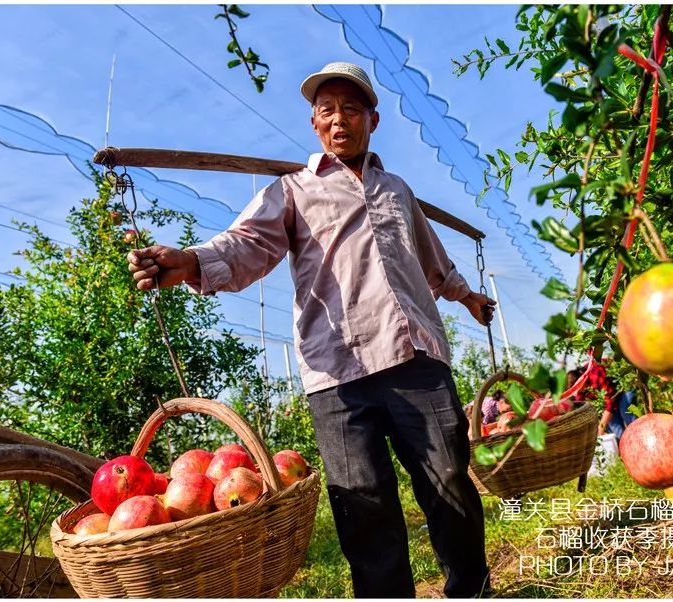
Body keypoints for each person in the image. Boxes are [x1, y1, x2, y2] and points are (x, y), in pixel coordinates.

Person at [126, 62, 494, 598]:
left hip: (415, 355)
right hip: (338, 372)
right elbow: (246, 243)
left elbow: (434, 262)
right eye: (326, 111)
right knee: (363, 507)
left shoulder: (397, 190)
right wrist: (189, 262)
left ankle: (471, 590)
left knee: (450, 486)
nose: (338, 119)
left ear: (373, 118)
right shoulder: (293, 190)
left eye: (350, 108)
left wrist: (468, 298)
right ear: (314, 125)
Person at [572, 361, 638, 441]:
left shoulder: (596, 372)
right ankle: (628, 445)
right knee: (614, 427)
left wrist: (601, 427)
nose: (578, 392)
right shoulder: (579, 390)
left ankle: (639, 439)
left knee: (626, 412)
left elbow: (610, 401)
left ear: (581, 381)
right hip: (610, 399)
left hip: (622, 387)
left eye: (578, 389)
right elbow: (582, 410)